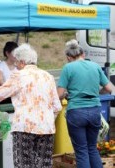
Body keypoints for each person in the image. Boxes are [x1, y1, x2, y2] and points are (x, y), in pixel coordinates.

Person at [0, 43, 62, 168]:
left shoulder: (19, 76)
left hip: (24, 127)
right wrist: (47, 121)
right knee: (43, 165)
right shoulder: (48, 76)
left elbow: (0, 93)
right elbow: (57, 107)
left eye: (16, 62)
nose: (15, 65)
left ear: (22, 62)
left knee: (23, 165)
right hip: (47, 129)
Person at [57, 39, 113, 168]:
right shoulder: (95, 66)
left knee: (81, 151)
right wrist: (97, 92)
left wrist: (65, 94)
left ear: (68, 57)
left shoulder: (68, 67)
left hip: (76, 112)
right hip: (94, 111)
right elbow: (109, 88)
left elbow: (59, 94)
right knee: (92, 148)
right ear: (82, 54)